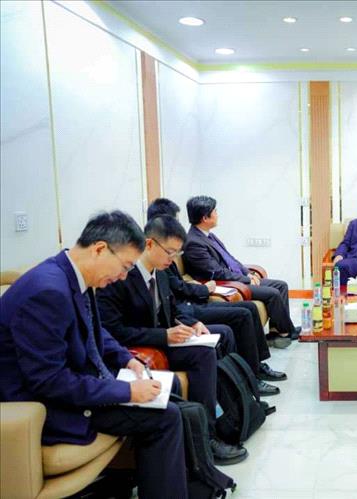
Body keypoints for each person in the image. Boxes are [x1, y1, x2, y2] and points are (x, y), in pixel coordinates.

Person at [0, 211, 187, 498]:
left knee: (169, 392)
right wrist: (126, 391)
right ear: (100, 249)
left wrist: (125, 358)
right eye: (125, 267)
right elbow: (48, 381)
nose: (123, 276)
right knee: (166, 417)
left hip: (74, 381)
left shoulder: (71, 276)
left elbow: (94, 331)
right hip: (45, 405)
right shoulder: (47, 292)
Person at [97, 215, 248, 465]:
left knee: (206, 350)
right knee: (205, 352)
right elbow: (113, 330)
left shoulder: (161, 272)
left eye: (177, 253)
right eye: (170, 252)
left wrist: (191, 323)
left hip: (163, 339)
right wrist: (163, 335)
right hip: (140, 346)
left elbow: (173, 308)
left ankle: (216, 426)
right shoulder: (120, 277)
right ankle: (206, 439)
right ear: (149, 244)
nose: (173, 259)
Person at [147, 198, 286, 391]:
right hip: (187, 306)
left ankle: (255, 368)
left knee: (249, 309)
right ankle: (250, 376)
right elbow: (178, 289)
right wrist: (204, 290)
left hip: (188, 304)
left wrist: (245, 273)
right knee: (243, 314)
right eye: (175, 221)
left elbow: (177, 286)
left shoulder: (168, 254)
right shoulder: (165, 256)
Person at [182, 195, 298, 346]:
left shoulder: (208, 235)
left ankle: (277, 331)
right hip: (224, 283)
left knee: (281, 285)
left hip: (235, 278)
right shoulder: (194, 242)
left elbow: (230, 258)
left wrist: (247, 272)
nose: (217, 214)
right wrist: (246, 279)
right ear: (205, 218)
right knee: (273, 293)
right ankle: (286, 332)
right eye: (215, 211)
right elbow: (216, 272)